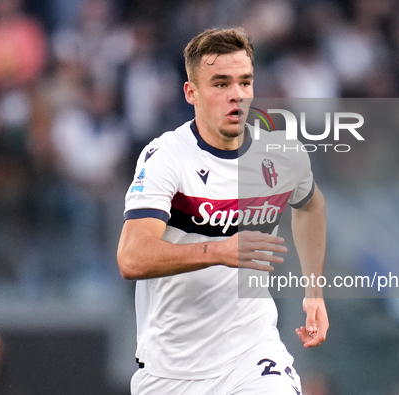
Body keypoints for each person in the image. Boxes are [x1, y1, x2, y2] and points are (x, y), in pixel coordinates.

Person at [117, 27, 328, 395]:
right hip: (171, 371)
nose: (237, 95)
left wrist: (314, 290)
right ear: (191, 93)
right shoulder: (166, 157)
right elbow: (131, 258)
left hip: (252, 354)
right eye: (220, 84)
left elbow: (311, 207)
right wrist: (220, 251)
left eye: (245, 82)